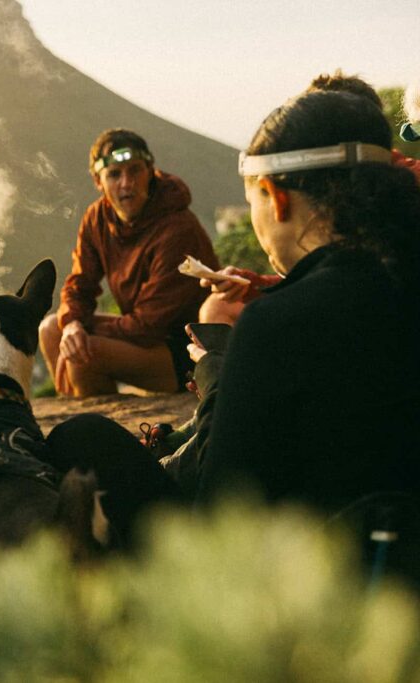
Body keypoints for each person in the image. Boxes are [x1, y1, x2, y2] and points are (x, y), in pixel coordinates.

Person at [51, 89, 420, 546]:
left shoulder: (275, 326)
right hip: (396, 540)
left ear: (277, 199)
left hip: (306, 564)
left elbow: (221, 504)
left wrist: (214, 373)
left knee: (80, 437)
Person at [200, 71, 420, 325]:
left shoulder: (399, 187)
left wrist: (212, 366)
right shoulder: (381, 183)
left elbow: (353, 285)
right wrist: (256, 286)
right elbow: (334, 275)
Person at [39, 129, 218, 398]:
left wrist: (81, 329)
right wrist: (74, 323)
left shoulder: (177, 228)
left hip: (189, 350)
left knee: (84, 352)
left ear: (150, 171)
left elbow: (148, 326)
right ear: (98, 181)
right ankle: (84, 418)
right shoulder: (97, 217)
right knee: (52, 329)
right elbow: (79, 284)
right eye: (114, 174)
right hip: (144, 338)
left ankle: (100, 433)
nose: (126, 183)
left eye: (134, 170)